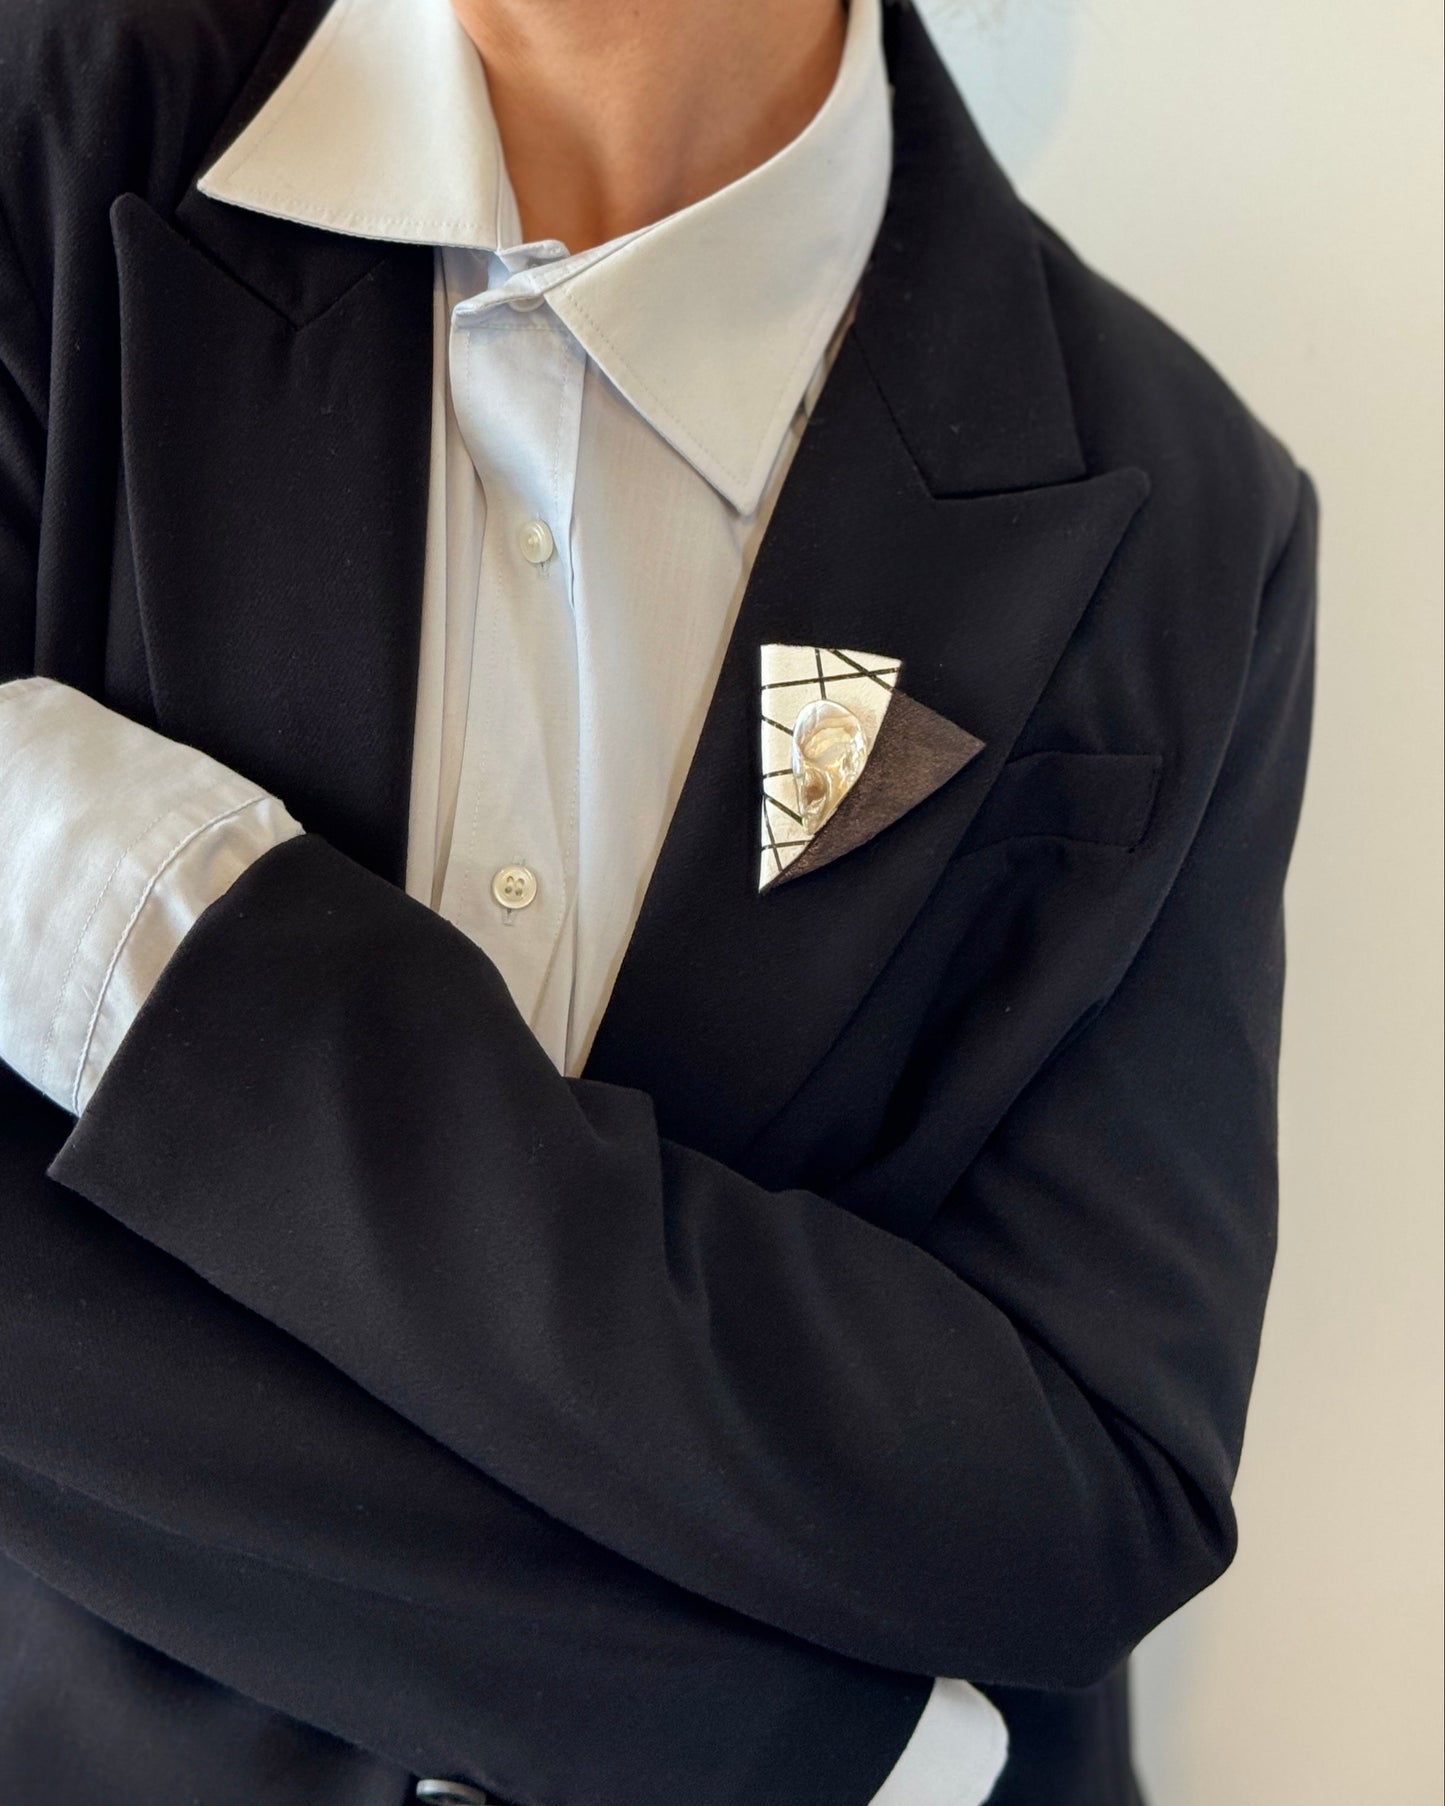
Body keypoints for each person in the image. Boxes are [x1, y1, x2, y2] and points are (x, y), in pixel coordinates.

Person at [0, 0, 1317, 1799]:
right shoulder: (45, 151)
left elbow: (1083, 1496)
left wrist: (146, 929)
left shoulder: (1186, 509)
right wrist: (791, 1742)